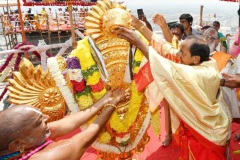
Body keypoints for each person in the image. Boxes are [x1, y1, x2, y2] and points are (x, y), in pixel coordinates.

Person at [113, 26, 230, 159]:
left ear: (195, 58)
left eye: (182, 53)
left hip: (207, 134)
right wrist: (140, 25)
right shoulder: (209, 62)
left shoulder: (196, 74)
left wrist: (139, 42)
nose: (178, 54)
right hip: (205, 128)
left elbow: (164, 68)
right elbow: (168, 50)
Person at [0, 89, 130, 160]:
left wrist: (105, 99)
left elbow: (67, 123)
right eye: (39, 122)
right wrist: (113, 103)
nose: (48, 117)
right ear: (17, 144)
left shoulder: (23, 140)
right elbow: (85, 137)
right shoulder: (47, 158)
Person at [132, 14, 183, 146]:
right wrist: (139, 25)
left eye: (177, 33)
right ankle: (169, 135)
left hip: (185, 88)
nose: (174, 35)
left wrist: (139, 25)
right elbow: (164, 44)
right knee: (168, 112)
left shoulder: (186, 48)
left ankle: (184, 137)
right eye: (173, 32)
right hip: (170, 83)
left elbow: (169, 44)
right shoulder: (175, 49)